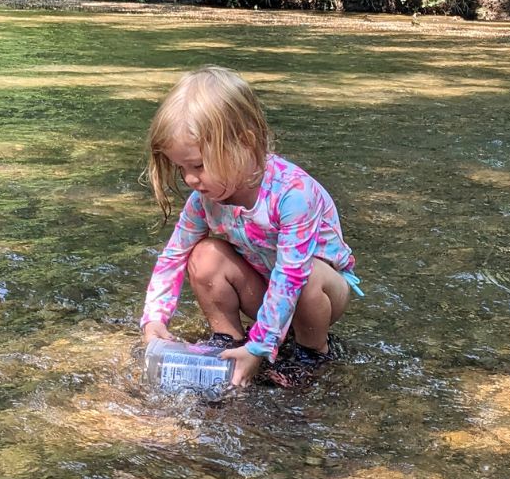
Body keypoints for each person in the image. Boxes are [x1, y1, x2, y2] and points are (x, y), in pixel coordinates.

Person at [138, 65, 360, 387]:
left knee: (307, 274)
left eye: (198, 165)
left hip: (317, 293)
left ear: (244, 143)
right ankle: (228, 340)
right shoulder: (206, 198)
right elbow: (174, 256)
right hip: (266, 289)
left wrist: (260, 347)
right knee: (203, 255)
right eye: (181, 168)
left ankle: (312, 353)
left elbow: (290, 275)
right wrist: (154, 317)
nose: (189, 179)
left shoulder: (293, 195)